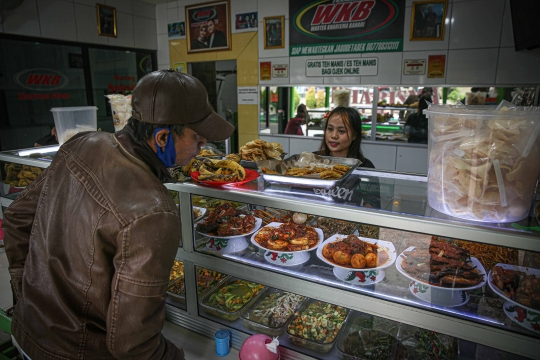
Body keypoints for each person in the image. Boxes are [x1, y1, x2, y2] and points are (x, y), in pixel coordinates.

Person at [3, 69, 234, 359]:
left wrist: (26, 295)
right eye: (198, 139)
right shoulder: (154, 211)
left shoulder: (81, 143)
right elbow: (133, 344)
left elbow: (15, 218)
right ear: (162, 137)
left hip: (26, 331)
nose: (202, 150)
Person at [312, 106, 380, 209]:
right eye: (330, 129)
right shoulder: (312, 161)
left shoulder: (365, 167)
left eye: (341, 131)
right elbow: (294, 196)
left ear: (354, 135)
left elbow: (372, 206)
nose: (334, 135)